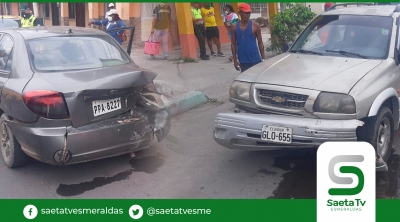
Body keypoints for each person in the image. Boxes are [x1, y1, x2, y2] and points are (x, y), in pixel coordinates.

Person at [231, 3, 265, 73]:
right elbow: (233, 44)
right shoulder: (234, 27)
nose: (247, 15)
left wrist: (263, 58)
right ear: (240, 12)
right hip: (242, 60)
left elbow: (260, 43)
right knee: (246, 80)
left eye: (249, 13)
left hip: (255, 59)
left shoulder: (255, 26)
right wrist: (235, 60)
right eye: (245, 13)